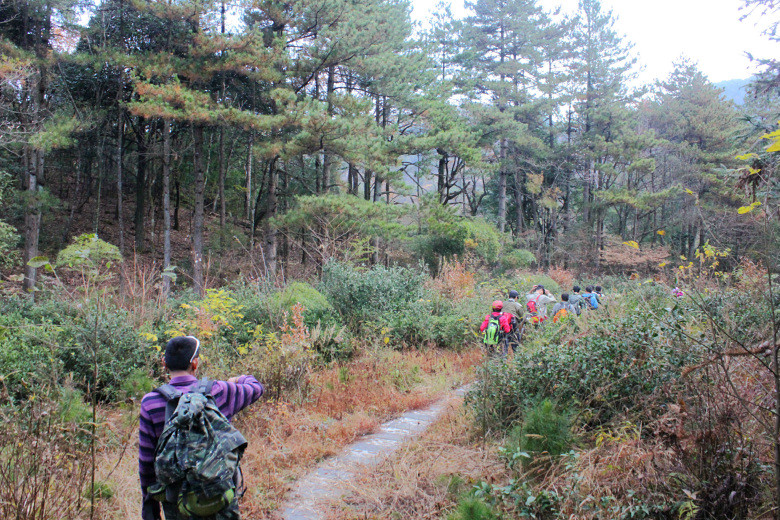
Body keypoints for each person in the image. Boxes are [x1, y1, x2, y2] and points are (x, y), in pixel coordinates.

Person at [139, 336, 264, 520]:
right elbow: (256, 388)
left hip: (176, 502)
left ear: (164, 363)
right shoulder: (218, 391)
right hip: (218, 496)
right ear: (195, 363)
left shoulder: (150, 403)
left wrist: (150, 508)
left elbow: (146, 464)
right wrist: (238, 379)